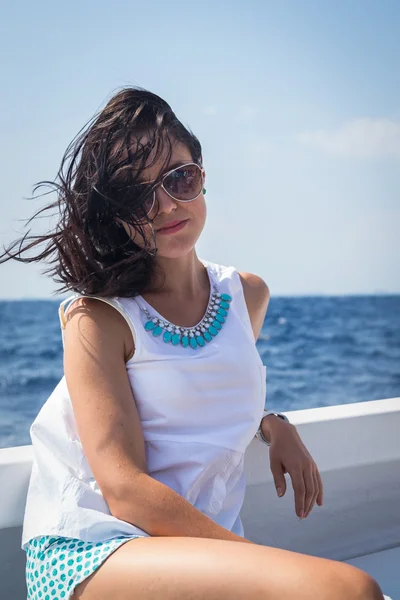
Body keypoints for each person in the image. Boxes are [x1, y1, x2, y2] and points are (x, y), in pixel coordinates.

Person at [1, 87, 384, 600]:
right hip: (94, 551)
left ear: (202, 174)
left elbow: (196, 398)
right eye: (136, 197)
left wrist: (272, 424)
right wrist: (258, 563)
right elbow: (124, 490)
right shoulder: (97, 318)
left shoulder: (247, 295)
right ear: (115, 214)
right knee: (349, 590)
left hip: (191, 550)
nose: (164, 205)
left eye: (179, 177)